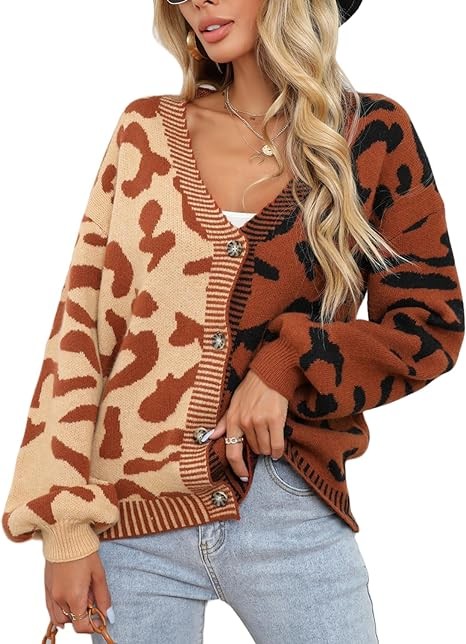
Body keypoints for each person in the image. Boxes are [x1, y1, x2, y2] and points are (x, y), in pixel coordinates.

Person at [2, 0, 464, 642]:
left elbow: (430, 325)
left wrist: (287, 362)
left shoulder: (370, 134)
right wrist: (62, 527)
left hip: (287, 507)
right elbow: (80, 330)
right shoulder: (143, 132)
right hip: (129, 526)